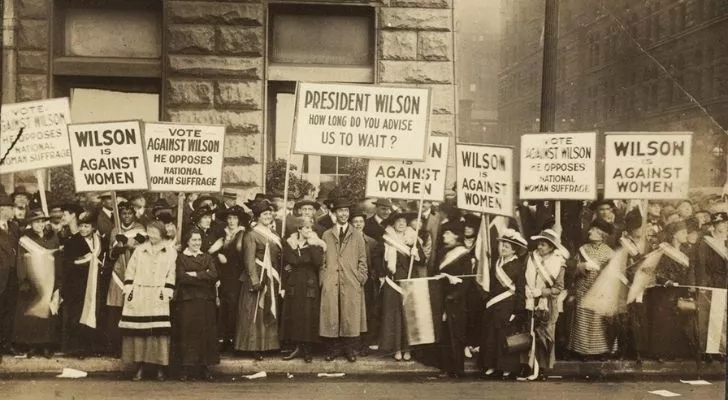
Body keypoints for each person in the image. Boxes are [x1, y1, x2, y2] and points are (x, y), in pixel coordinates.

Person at [119, 221, 177, 381]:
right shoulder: (139, 250)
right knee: (139, 333)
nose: (151, 235)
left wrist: (167, 291)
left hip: (158, 294)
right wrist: (129, 289)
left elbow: (171, 273)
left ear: (162, 233)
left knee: (158, 333)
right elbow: (130, 271)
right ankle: (139, 368)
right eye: (149, 231)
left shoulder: (171, 252)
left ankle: (160, 368)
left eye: (155, 232)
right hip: (140, 293)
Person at [320, 198, 368, 362]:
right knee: (332, 314)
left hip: (350, 281)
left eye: (346, 211)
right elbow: (322, 260)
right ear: (334, 214)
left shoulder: (357, 235)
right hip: (331, 280)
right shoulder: (326, 234)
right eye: (340, 211)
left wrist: (360, 278)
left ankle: (349, 350)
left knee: (349, 315)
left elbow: (362, 260)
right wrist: (324, 278)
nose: (344, 214)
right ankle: (333, 349)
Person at [234, 199, 282, 360]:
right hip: (257, 278)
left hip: (270, 277)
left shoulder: (274, 234)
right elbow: (249, 260)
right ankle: (252, 346)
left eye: (269, 213)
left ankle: (268, 345)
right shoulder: (251, 235)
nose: (268, 216)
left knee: (268, 308)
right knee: (254, 312)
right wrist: (254, 281)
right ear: (258, 217)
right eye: (264, 214)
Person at [12, 210, 62, 358]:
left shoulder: (53, 238)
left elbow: (58, 261)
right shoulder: (25, 240)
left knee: (48, 312)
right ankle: (32, 345)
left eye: (41, 222)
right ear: (30, 224)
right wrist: (23, 281)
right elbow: (20, 262)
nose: (39, 225)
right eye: (36, 222)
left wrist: (58, 282)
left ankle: (46, 345)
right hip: (32, 281)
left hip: (49, 280)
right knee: (32, 315)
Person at [481, 229, 528, 380]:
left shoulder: (518, 266)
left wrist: (518, 311)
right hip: (494, 305)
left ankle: (506, 368)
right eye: (501, 245)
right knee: (491, 337)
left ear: (514, 249)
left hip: (508, 306)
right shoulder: (496, 263)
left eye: (506, 247)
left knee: (504, 338)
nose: (502, 248)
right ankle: (491, 366)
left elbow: (520, 290)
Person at [522, 228, 569, 381]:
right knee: (529, 334)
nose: (540, 247)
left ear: (551, 247)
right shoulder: (531, 258)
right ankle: (528, 367)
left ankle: (541, 369)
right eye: (539, 244)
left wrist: (541, 292)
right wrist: (528, 290)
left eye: (543, 245)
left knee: (544, 337)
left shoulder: (559, 263)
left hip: (547, 304)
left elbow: (558, 289)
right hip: (529, 300)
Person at [644, 221, 694, 361]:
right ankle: (660, 353)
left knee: (677, 320)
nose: (686, 235)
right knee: (663, 321)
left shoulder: (685, 251)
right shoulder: (663, 250)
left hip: (679, 291)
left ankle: (674, 352)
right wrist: (666, 281)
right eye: (683, 232)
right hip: (664, 292)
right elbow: (653, 270)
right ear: (674, 234)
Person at [174, 229, 220, 381]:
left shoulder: (206, 257)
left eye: (199, 240)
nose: (197, 243)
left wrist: (194, 274)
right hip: (188, 301)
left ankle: (204, 367)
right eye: (194, 240)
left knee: (205, 334)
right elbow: (181, 277)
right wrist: (203, 275)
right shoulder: (181, 258)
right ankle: (186, 368)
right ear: (187, 241)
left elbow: (213, 275)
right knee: (188, 333)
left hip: (205, 300)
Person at [379, 212, 424, 361]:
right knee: (394, 316)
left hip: (409, 280)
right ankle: (396, 348)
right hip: (392, 282)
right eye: (398, 221)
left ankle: (408, 349)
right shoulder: (386, 240)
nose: (401, 224)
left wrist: (416, 253)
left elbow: (422, 261)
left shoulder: (413, 239)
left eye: (404, 222)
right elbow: (379, 260)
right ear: (393, 224)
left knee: (408, 316)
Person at [280, 216, 326, 363]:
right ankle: (297, 347)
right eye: (306, 227)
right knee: (295, 315)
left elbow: (318, 262)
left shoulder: (316, 244)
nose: (309, 230)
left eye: (310, 228)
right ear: (299, 229)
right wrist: (301, 260)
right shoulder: (289, 243)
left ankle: (308, 349)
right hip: (294, 283)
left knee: (308, 315)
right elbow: (289, 259)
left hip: (309, 282)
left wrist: (311, 246)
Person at [568, 220, 615, 360]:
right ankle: (583, 351)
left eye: (594, 230)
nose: (590, 232)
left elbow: (613, 273)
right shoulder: (583, 249)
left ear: (602, 234)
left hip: (601, 292)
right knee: (583, 321)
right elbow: (573, 268)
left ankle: (601, 351)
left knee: (599, 322)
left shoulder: (609, 252)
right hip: (583, 290)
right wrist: (581, 266)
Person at [60, 210, 104, 359]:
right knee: (78, 315)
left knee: (94, 312)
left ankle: (91, 346)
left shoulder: (99, 241)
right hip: (77, 285)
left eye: (87, 226)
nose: (84, 229)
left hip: (94, 283)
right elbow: (67, 264)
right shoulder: (72, 242)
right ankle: (77, 349)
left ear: (93, 228)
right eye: (81, 226)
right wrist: (84, 262)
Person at [105, 202, 146, 357]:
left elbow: (141, 247)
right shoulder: (116, 229)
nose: (127, 216)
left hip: (135, 273)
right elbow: (110, 253)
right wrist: (118, 248)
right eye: (124, 214)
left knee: (133, 310)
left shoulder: (141, 228)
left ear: (133, 214)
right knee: (116, 310)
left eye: (129, 213)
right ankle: (115, 347)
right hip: (118, 273)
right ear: (120, 215)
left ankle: (132, 348)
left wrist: (127, 242)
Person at [436, 221, 473, 378]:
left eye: (447, 233)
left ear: (456, 235)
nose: (444, 235)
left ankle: (458, 369)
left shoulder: (464, 254)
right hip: (442, 298)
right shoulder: (442, 252)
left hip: (456, 299)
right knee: (444, 334)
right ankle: (446, 368)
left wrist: (455, 294)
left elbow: (467, 280)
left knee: (456, 334)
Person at [212, 205, 249, 353]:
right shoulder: (224, 235)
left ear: (239, 220)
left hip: (237, 274)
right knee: (224, 307)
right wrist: (218, 255)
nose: (232, 221)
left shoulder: (242, 234)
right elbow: (213, 252)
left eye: (234, 218)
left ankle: (234, 339)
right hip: (224, 275)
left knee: (234, 306)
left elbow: (242, 254)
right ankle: (224, 338)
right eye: (229, 218)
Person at [350, 207, 382, 354]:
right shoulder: (347, 241)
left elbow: (375, 264)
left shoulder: (372, 242)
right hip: (351, 280)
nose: (358, 224)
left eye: (360, 221)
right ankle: (353, 344)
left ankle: (365, 344)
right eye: (355, 222)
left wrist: (373, 276)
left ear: (364, 224)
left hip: (367, 282)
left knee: (368, 312)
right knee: (353, 312)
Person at [0, 193, 21, 355]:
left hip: (12, 278)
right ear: (2, 210)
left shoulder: (14, 227)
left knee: (9, 313)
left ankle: (5, 344)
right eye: (10, 208)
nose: (14, 210)